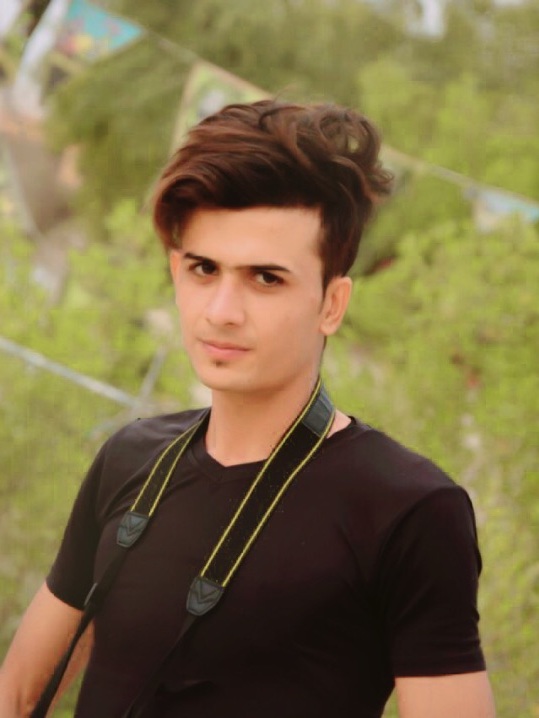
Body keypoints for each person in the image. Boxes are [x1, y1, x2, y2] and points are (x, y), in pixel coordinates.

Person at [0, 99, 496, 717]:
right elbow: (16, 695)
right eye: (204, 269)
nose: (222, 312)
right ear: (176, 273)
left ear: (332, 304)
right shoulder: (130, 459)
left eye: (266, 278)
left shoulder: (410, 511)